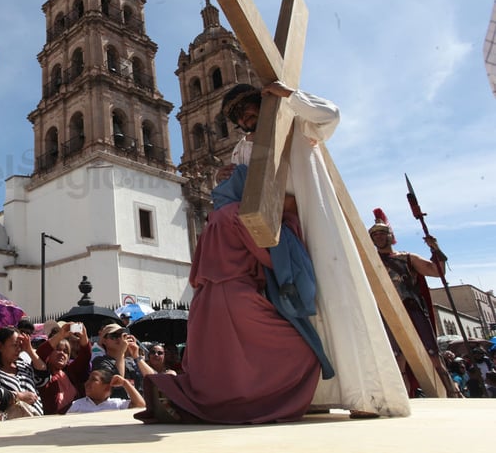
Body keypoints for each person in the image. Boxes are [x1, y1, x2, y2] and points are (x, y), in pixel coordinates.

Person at [211, 81, 410, 418]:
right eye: (239, 118)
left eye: (249, 110)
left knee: (336, 300)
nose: (246, 120)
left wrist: (289, 95)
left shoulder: (297, 123)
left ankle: (364, 394)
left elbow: (330, 115)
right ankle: (311, 393)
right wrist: (225, 176)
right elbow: (243, 188)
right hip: (279, 235)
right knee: (295, 312)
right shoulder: (241, 150)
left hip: (314, 224)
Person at [136, 165, 325, 424]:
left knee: (221, 365)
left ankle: (174, 395)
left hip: (204, 301)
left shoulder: (213, 218)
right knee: (301, 350)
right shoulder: (239, 214)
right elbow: (268, 255)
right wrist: (289, 222)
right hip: (236, 295)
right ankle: (259, 405)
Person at [368, 209, 458, 397]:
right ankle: (405, 398)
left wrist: (435, 249)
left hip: (412, 308)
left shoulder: (407, 258)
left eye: (381, 233)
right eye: (374, 234)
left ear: (389, 236)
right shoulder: (369, 262)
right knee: (397, 357)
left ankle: (452, 393)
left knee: (433, 355)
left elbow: (436, 271)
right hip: (387, 312)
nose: (378, 237)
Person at [0, 327, 49, 419]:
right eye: (15, 345)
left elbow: (43, 379)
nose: (18, 349)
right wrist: (19, 396)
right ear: (0, 346)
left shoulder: (23, 365)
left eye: (20, 346)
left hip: (37, 420)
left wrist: (30, 350)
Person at [36, 321, 92, 414]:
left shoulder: (71, 372)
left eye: (66, 351)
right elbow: (41, 353)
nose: (62, 353)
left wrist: (84, 336)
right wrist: (61, 335)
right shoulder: (41, 373)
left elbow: (85, 356)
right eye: (58, 349)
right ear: (49, 353)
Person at [92, 324, 154, 400]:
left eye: (121, 335)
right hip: (118, 407)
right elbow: (117, 382)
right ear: (104, 341)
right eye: (113, 336)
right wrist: (121, 352)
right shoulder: (100, 361)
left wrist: (136, 356)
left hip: (138, 404)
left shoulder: (130, 361)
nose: (119, 339)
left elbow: (153, 378)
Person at [66, 368, 145, 413]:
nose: (87, 383)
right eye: (88, 379)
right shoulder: (77, 404)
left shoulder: (117, 405)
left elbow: (140, 405)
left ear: (107, 387)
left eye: (93, 379)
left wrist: (125, 383)